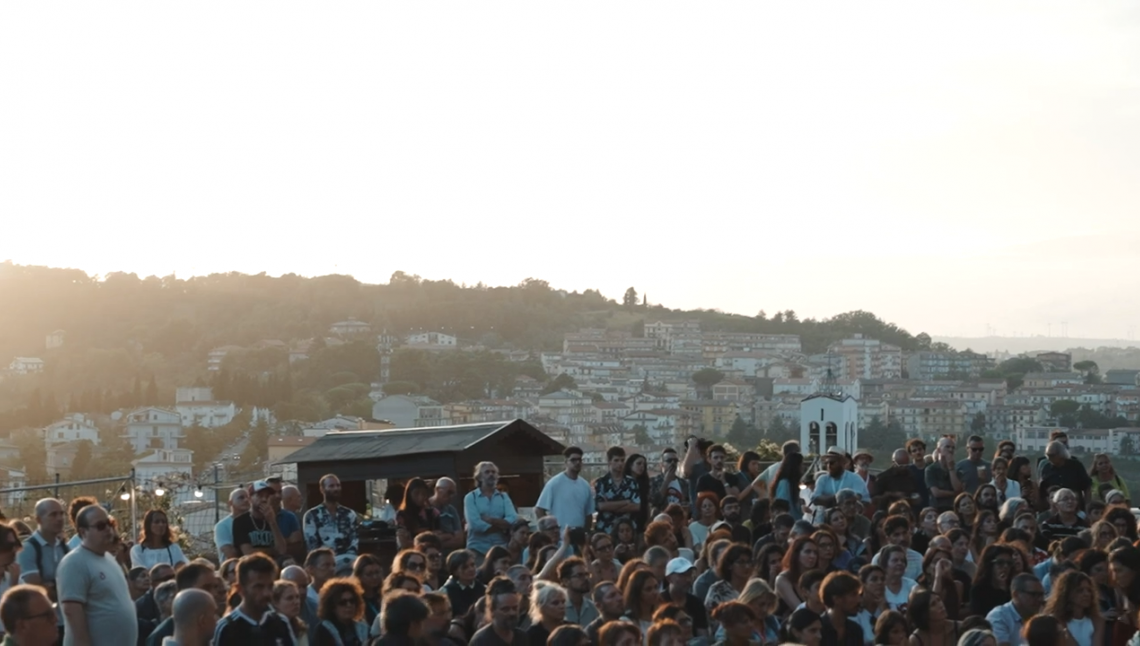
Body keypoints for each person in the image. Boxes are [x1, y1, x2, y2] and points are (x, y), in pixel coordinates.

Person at [58, 504, 138, 646]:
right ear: (83, 532)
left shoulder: (109, 560)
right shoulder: (75, 562)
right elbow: (72, 611)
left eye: (109, 523)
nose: (108, 529)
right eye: (100, 526)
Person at [213, 554, 295, 645]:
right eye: (259, 587)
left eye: (270, 586)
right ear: (240, 589)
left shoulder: (281, 623)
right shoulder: (227, 628)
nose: (266, 593)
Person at [16, 498, 68, 636]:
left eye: (61, 513)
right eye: (53, 514)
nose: (59, 518)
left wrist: (53, 585)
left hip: (67, 621)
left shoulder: (64, 547)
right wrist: (63, 588)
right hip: (42, 626)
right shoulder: (28, 549)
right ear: (39, 519)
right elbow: (38, 590)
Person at [145, 562, 219, 646]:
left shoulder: (218, 625)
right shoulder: (160, 637)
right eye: (206, 587)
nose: (214, 593)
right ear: (185, 590)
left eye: (215, 587)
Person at [303, 475, 360, 573]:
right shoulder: (312, 515)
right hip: (322, 563)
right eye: (331, 486)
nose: (336, 489)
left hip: (348, 562)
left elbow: (354, 541)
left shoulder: (349, 514)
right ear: (322, 489)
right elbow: (312, 546)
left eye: (338, 485)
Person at [463, 462, 518, 558]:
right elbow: (475, 525)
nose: (491, 474)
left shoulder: (504, 497)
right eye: (487, 472)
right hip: (477, 549)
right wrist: (502, 525)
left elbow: (513, 519)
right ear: (479, 477)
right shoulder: (471, 498)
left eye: (493, 472)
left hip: (501, 549)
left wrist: (491, 520)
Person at [537, 447, 596, 533]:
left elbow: (589, 514)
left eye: (579, 460)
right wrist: (547, 532)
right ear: (566, 462)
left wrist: (586, 533)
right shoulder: (554, 483)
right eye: (573, 460)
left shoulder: (585, 485)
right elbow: (539, 509)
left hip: (579, 535)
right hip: (559, 535)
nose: (577, 463)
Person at [234, 480, 290, 562]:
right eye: (260, 496)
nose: (264, 499)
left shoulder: (272, 518)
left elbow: (281, 550)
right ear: (250, 498)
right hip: (250, 563)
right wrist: (272, 551)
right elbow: (248, 552)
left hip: (273, 563)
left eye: (267, 496)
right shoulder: (240, 521)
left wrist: (272, 522)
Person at [985, 573, 1044, 646]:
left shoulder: (1042, 617)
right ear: (1015, 595)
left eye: (1041, 595)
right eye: (1033, 594)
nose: (1040, 599)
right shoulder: (999, 616)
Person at [595, 447, 642, 534]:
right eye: (616, 460)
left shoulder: (632, 482)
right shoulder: (601, 482)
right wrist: (626, 502)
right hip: (606, 528)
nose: (620, 463)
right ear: (609, 462)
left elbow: (637, 506)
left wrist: (611, 506)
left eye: (622, 460)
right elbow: (601, 506)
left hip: (627, 530)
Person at [470, 576, 527, 646]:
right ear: (492, 610)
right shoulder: (481, 641)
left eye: (515, 608)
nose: (512, 613)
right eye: (505, 609)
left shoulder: (522, 637)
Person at [313, 577, 370, 645]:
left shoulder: (362, 628)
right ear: (332, 606)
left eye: (352, 601)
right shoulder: (323, 630)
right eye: (342, 602)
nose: (349, 605)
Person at [1039, 442, 1092, 510]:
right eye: (1048, 456)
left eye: (1052, 455)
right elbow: (1042, 491)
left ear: (1060, 454)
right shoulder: (1046, 468)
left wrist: (1087, 505)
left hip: (1075, 506)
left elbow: (1087, 487)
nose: (1049, 458)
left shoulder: (1075, 466)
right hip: (1055, 507)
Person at [820, 571, 864, 646]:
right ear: (837, 599)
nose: (859, 600)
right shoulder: (818, 629)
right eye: (853, 595)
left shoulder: (855, 630)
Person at [395, 478, 441, 550]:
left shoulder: (433, 512)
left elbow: (439, 537)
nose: (420, 497)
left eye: (424, 494)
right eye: (416, 493)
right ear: (409, 494)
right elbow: (403, 543)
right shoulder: (402, 515)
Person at [442, 550, 485, 618]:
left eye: (472, 565)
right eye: (465, 567)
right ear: (455, 571)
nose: (471, 569)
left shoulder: (483, 588)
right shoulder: (446, 592)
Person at [649, 448, 690, 516]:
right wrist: (666, 481)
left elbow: (687, 503)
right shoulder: (654, 481)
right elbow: (655, 503)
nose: (673, 463)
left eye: (675, 461)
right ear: (661, 464)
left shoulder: (684, 483)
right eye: (669, 460)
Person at [926, 438, 963, 513]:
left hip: (954, 508)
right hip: (937, 508)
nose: (950, 450)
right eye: (947, 447)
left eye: (953, 448)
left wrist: (951, 468)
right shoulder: (931, 469)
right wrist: (954, 493)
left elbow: (958, 489)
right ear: (939, 450)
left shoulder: (957, 468)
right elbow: (936, 493)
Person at [558, 557, 598, 627]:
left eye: (587, 574)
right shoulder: (558, 607)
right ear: (566, 581)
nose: (586, 578)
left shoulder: (592, 608)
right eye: (580, 575)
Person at [526, 581, 569, 645]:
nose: (561, 606)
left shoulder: (571, 630)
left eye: (563, 602)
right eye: (555, 603)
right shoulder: (532, 635)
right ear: (541, 607)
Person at [214, 488, 251, 563]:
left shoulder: (257, 521)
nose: (246, 500)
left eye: (248, 498)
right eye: (241, 497)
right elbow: (230, 554)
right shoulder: (222, 526)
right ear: (230, 503)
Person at [429, 478, 464, 552]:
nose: (451, 497)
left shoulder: (451, 510)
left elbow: (460, 540)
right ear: (438, 490)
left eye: (453, 494)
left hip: (450, 553)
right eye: (449, 492)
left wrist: (437, 543)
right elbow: (425, 540)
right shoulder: (425, 508)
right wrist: (449, 536)